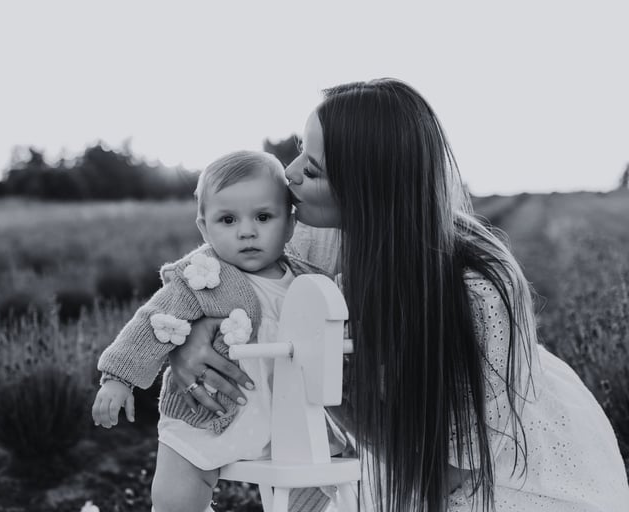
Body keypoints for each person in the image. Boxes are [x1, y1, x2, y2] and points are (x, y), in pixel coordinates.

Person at [167, 79, 629, 511]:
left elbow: (448, 472)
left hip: (505, 472)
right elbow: (217, 269)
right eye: (299, 152)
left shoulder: (478, 289)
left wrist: (326, 385)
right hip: (395, 439)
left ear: (368, 188)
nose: (288, 174)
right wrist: (187, 333)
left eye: (312, 168)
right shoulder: (311, 231)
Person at [92, 150, 343, 512]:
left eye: (263, 217)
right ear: (204, 228)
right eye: (227, 220)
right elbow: (156, 321)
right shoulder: (203, 277)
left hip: (290, 422)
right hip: (207, 413)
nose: (247, 231)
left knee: (313, 489)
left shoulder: (310, 280)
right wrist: (118, 378)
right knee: (175, 497)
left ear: (290, 225)